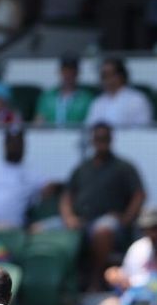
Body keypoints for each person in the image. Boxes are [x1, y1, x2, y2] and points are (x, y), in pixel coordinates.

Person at [62, 123, 146, 290]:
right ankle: (61, 286)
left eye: (105, 138)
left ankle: (96, 278)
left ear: (111, 140)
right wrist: (69, 218)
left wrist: (127, 218)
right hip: (80, 219)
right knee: (40, 230)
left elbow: (139, 195)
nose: (102, 142)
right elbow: (66, 197)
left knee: (103, 230)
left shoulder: (123, 167)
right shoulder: (82, 168)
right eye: (98, 138)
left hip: (110, 221)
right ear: (92, 140)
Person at [0, 128, 54, 232]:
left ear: (24, 145)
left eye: (17, 142)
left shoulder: (33, 174)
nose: (14, 146)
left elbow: (50, 189)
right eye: (11, 142)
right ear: (4, 144)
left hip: (11, 228)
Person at [109, 208, 157, 291]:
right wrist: (116, 275)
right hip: (139, 292)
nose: (152, 232)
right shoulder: (137, 247)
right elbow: (126, 274)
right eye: (147, 228)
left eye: (156, 227)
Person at [85, 58, 153, 128]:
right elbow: (90, 128)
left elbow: (143, 130)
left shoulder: (137, 100)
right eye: (103, 76)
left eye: (108, 75)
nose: (106, 80)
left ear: (121, 76)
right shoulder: (98, 102)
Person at [35, 56, 96, 127]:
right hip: (49, 136)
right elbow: (38, 123)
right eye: (65, 71)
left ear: (77, 72)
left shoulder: (87, 99)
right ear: (60, 72)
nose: (68, 75)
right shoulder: (47, 97)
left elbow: (89, 124)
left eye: (71, 71)